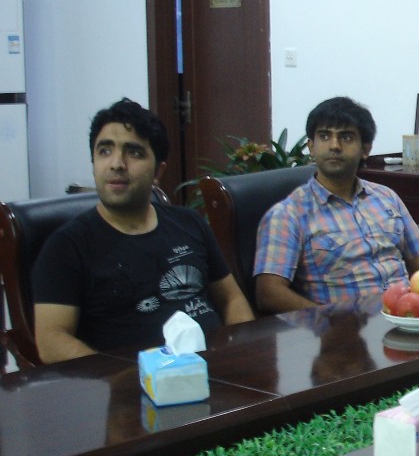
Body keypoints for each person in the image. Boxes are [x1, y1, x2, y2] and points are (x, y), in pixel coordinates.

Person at [33, 98, 254, 362]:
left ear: (158, 170)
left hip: (215, 369)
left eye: (134, 152)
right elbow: (51, 340)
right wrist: (121, 377)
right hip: (127, 381)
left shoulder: (189, 222)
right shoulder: (67, 246)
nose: (116, 164)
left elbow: (230, 299)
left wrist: (243, 353)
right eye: (105, 151)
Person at [254, 96, 419, 313]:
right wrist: (327, 320)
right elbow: (269, 294)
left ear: (365, 149)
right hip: (344, 327)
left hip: (405, 317)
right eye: (324, 136)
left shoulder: (386, 198)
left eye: (346, 137)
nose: (334, 146)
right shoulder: (288, 214)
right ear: (311, 147)